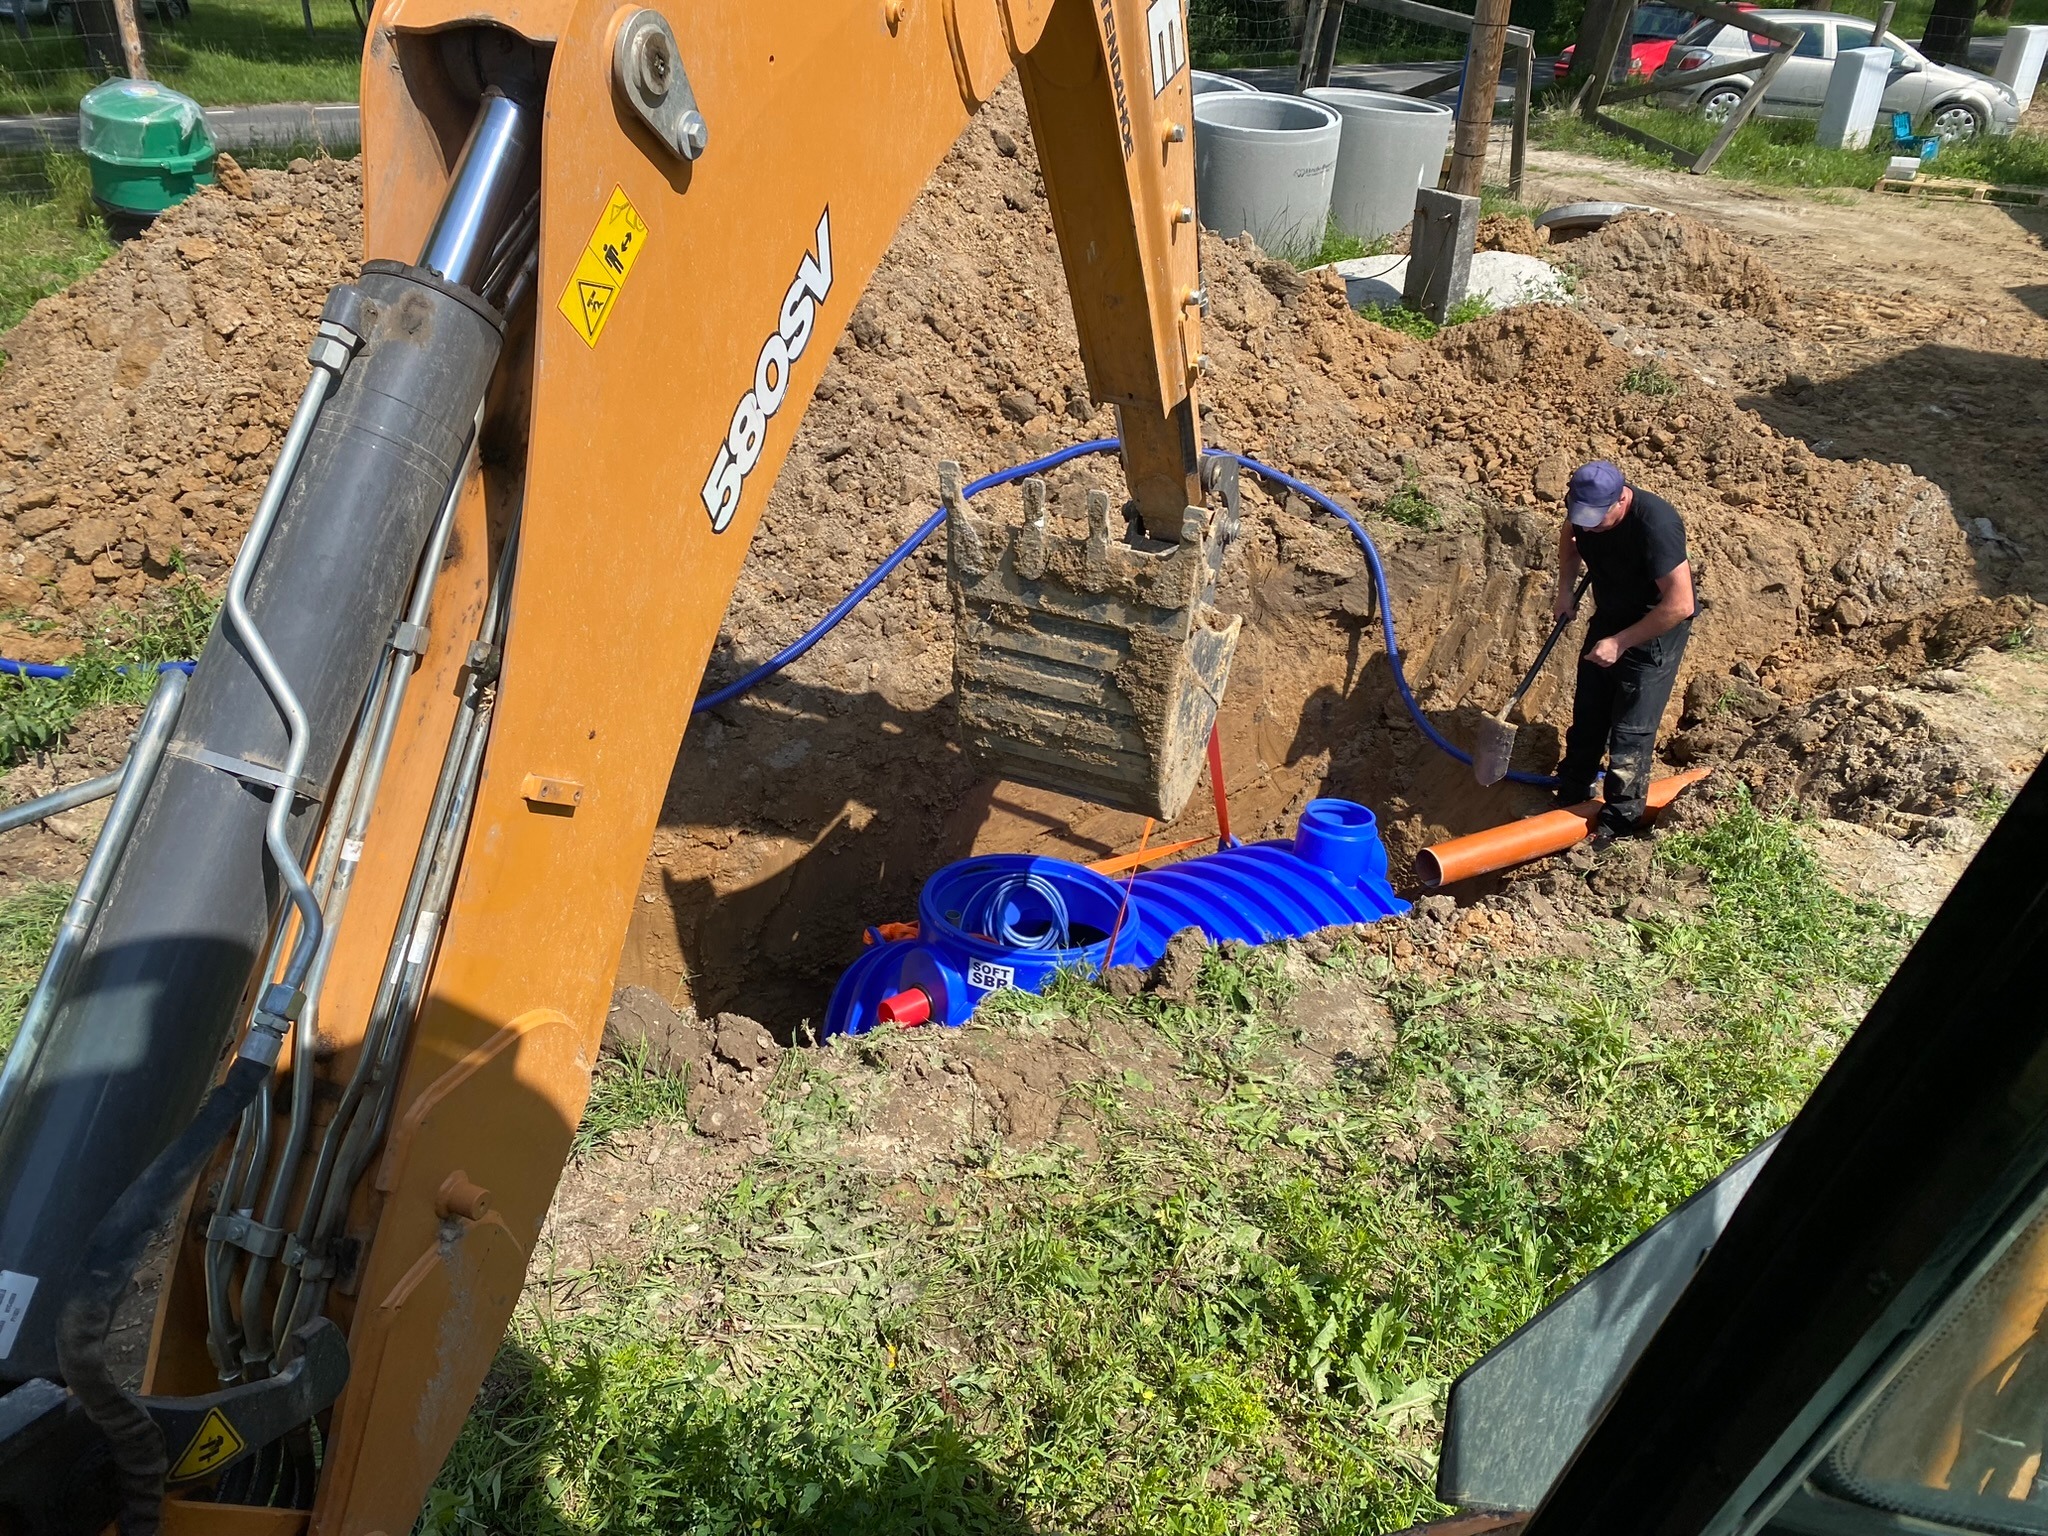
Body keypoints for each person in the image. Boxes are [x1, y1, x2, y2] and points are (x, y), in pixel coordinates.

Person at [1553, 461, 1695, 848]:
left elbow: (1681, 604)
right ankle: (1572, 785)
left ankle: (1619, 821)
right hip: (1611, 614)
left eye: (1598, 518)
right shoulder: (1584, 513)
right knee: (1590, 706)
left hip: (1654, 628)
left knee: (1631, 728)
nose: (1590, 526)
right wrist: (1565, 591)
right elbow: (1571, 537)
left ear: (1622, 499)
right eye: (1583, 516)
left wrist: (1621, 642)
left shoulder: (1656, 526)